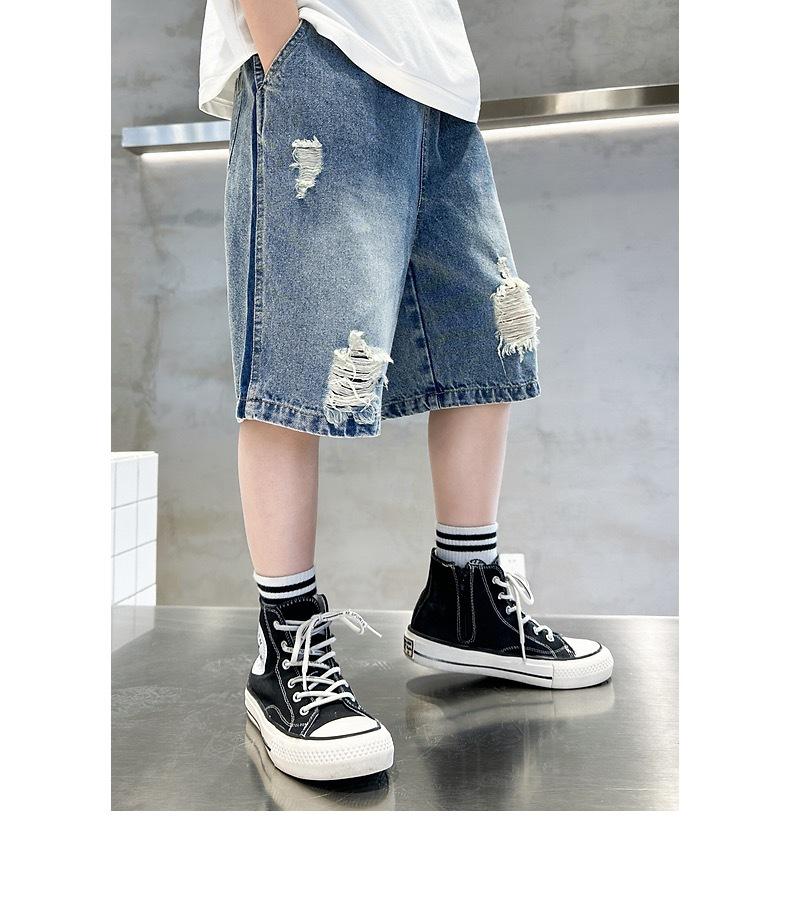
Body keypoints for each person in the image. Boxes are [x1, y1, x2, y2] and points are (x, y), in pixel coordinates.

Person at [199, 0, 614, 782]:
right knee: (298, 362)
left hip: (438, 81)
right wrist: (283, 44)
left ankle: (466, 597)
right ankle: (284, 640)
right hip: (320, 53)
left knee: (485, 338)